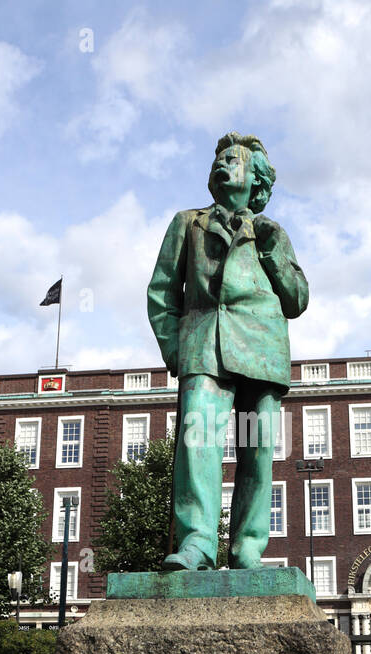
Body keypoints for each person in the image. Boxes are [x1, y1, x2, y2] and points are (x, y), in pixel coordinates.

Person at [147, 132, 309, 571]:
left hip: (261, 352)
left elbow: (297, 300)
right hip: (204, 346)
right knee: (196, 440)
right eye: (219, 158)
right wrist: (177, 351)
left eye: (233, 160)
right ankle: (197, 543)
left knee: (257, 453)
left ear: (256, 179)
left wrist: (274, 251)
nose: (221, 164)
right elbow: (162, 294)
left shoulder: (273, 233)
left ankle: (247, 549)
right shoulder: (188, 223)